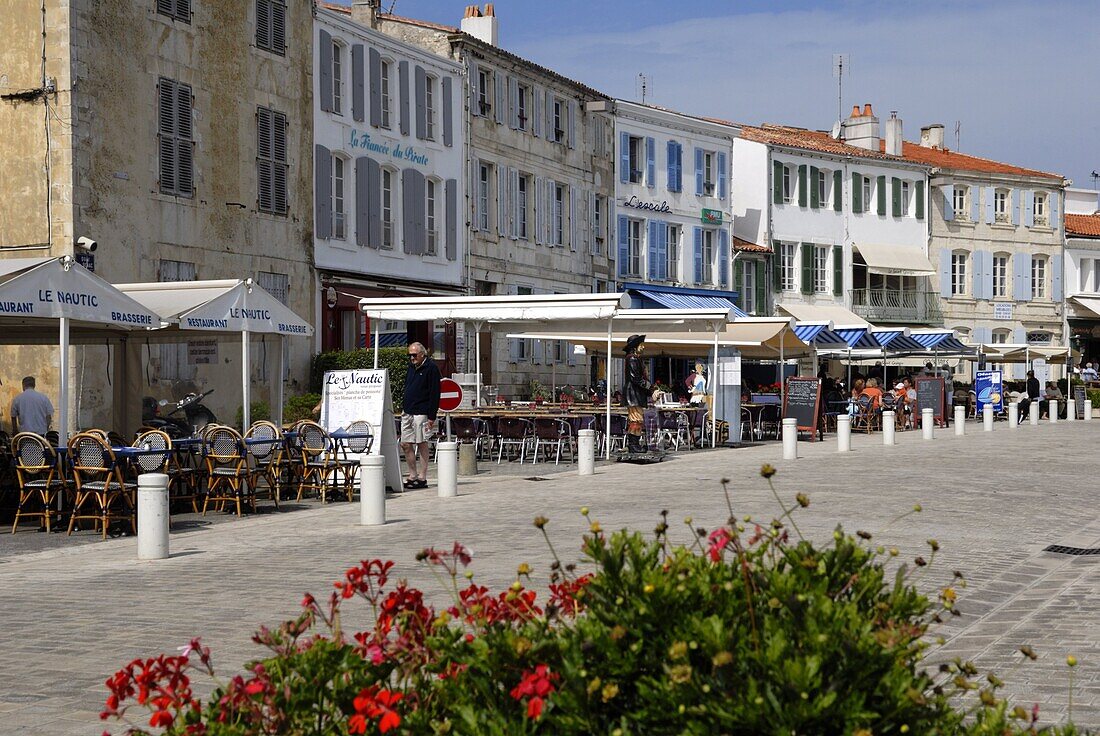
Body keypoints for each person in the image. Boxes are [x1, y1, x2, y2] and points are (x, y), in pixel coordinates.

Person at [400, 342, 441, 489]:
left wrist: (431, 416)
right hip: (408, 410)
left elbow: (435, 393)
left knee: (421, 442)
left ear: (422, 354)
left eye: (414, 355)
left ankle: (422, 477)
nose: (411, 358)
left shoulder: (431, 368)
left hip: (422, 412)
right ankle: (412, 474)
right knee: (405, 443)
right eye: (409, 355)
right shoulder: (411, 368)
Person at [622, 334, 653, 454]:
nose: (643, 347)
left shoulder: (635, 358)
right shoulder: (632, 359)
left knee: (637, 419)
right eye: (641, 344)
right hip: (633, 394)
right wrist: (650, 387)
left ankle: (634, 444)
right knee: (636, 419)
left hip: (635, 393)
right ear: (635, 346)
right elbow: (636, 378)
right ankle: (633, 445)